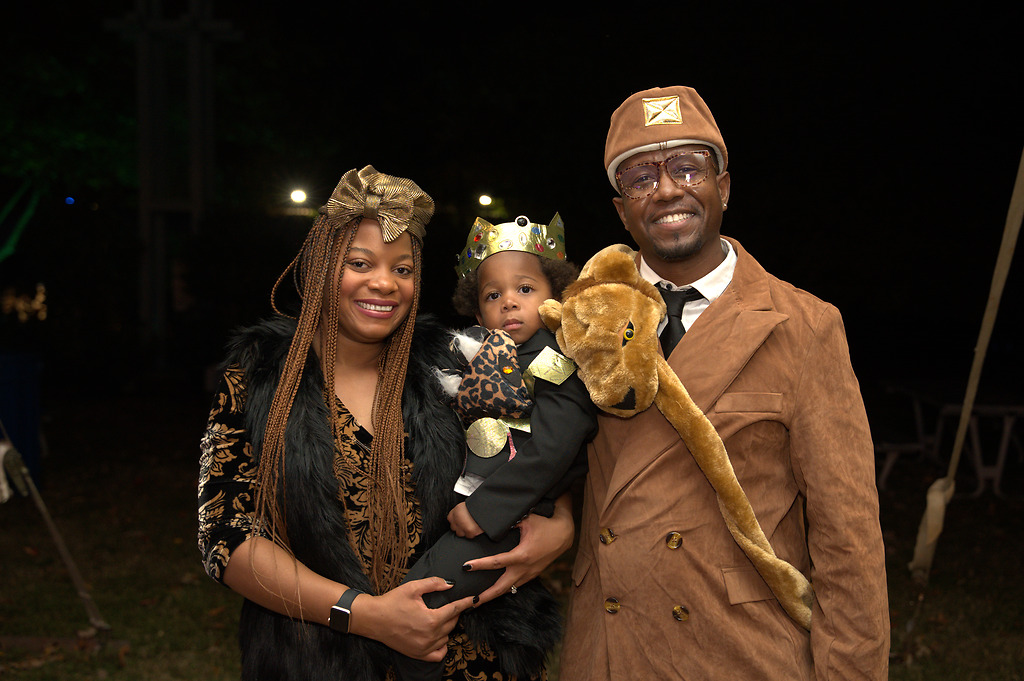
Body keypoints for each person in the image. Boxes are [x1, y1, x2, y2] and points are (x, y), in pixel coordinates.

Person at [558, 86, 890, 680]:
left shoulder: (806, 326)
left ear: (724, 188)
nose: (666, 190)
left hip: (741, 652)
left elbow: (849, 539)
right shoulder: (579, 316)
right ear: (620, 210)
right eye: (640, 177)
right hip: (612, 648)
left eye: (688, 167)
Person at [197, 166, 575, 681]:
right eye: (359, 262)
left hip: (476, 659)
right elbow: (225, 537)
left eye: (402, 269)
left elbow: (535, 435)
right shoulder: (258, 381)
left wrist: (561, 522)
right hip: (320, 659)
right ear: (319, 266)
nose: (384, 282)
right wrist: (365, 615)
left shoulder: (453, 364)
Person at [395, 214, 597, 681]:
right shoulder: (483, 356)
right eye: (493, 295)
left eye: (525, 289)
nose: (509, 301)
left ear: (554, 295)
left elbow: (553, 448)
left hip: (508, 517)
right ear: (478, 309)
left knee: (420, 604)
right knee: (421, 595)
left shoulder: (553, 360)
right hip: (475, 507)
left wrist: (486, 509)